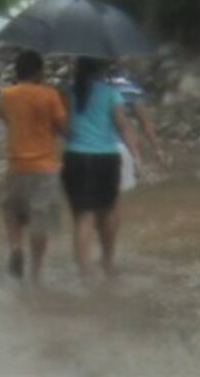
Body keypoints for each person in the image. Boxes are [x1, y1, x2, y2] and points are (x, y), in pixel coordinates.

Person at [61, 57, 141, 280]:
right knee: (107, 213)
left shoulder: (67, 92)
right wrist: (136, 157)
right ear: (101, 69)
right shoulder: (110, 93)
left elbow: (62, 126)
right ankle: (107, 264)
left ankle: (84, 273)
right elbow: (123, 126)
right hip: (106, 158)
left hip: (75, 157)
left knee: (83, 217)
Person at [0, 50, 67, 283]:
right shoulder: (50, 95)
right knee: (40, 220)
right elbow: (63, 128)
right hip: (45, 167)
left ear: (17, 71)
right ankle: (36, 272)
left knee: (11, 211)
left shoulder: (7, 94)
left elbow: (4, 118)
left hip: (16, 165)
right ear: (38, 71)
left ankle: (16, 247)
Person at [108, 73, 166, 191]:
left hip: (88, 149)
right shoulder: (129, 87)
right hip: (123, 147)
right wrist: (157, 150)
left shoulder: (80, 86)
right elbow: (145, 123)